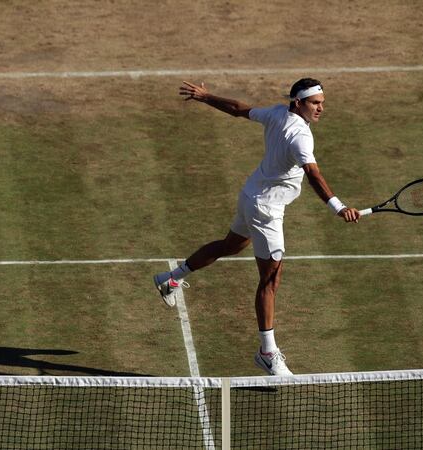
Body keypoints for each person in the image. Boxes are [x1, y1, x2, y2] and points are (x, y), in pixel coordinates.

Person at [153, 78, 360, 376]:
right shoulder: (301, 136)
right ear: (299, 102)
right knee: (270, 281)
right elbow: (313, 174)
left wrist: (205, 96)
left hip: (251, 195)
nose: (321, 108)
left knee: (230, 246)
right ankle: (267, 352)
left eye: (322, 103)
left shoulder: (276, 113)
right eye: (315, 103)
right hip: (267, 211)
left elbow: (238, 109)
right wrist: (338, 207)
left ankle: (170, 279)